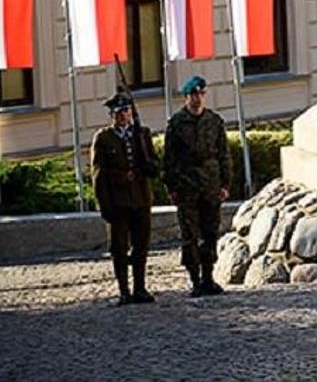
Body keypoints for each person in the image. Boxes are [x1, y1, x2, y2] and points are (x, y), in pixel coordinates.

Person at [162, 75, 232, 297]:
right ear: (186, 97)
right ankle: (195, 280)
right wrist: (172, 188)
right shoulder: (176, 124)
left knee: (210, 232)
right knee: (190, 235)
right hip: (187, 186)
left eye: (201, 94)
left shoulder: (214, 121)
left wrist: (225, 183)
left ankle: (209, 277)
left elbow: (224, 154)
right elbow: (169, 159)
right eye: (194, 95)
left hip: (210, 184)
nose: (198, 99)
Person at [91, 91, 159, 306]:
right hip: (118, 202)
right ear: (112, 115)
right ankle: (124, 290)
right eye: (119, 112)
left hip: (140, 199)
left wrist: (148, 165)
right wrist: (104, 205)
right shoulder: (103, 138)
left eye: (126, 111)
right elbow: (99, 175)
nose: (123, 115)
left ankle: (140, 287)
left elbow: (154, 166)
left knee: (141, 245)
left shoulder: (142, 134)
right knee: (119, 248)